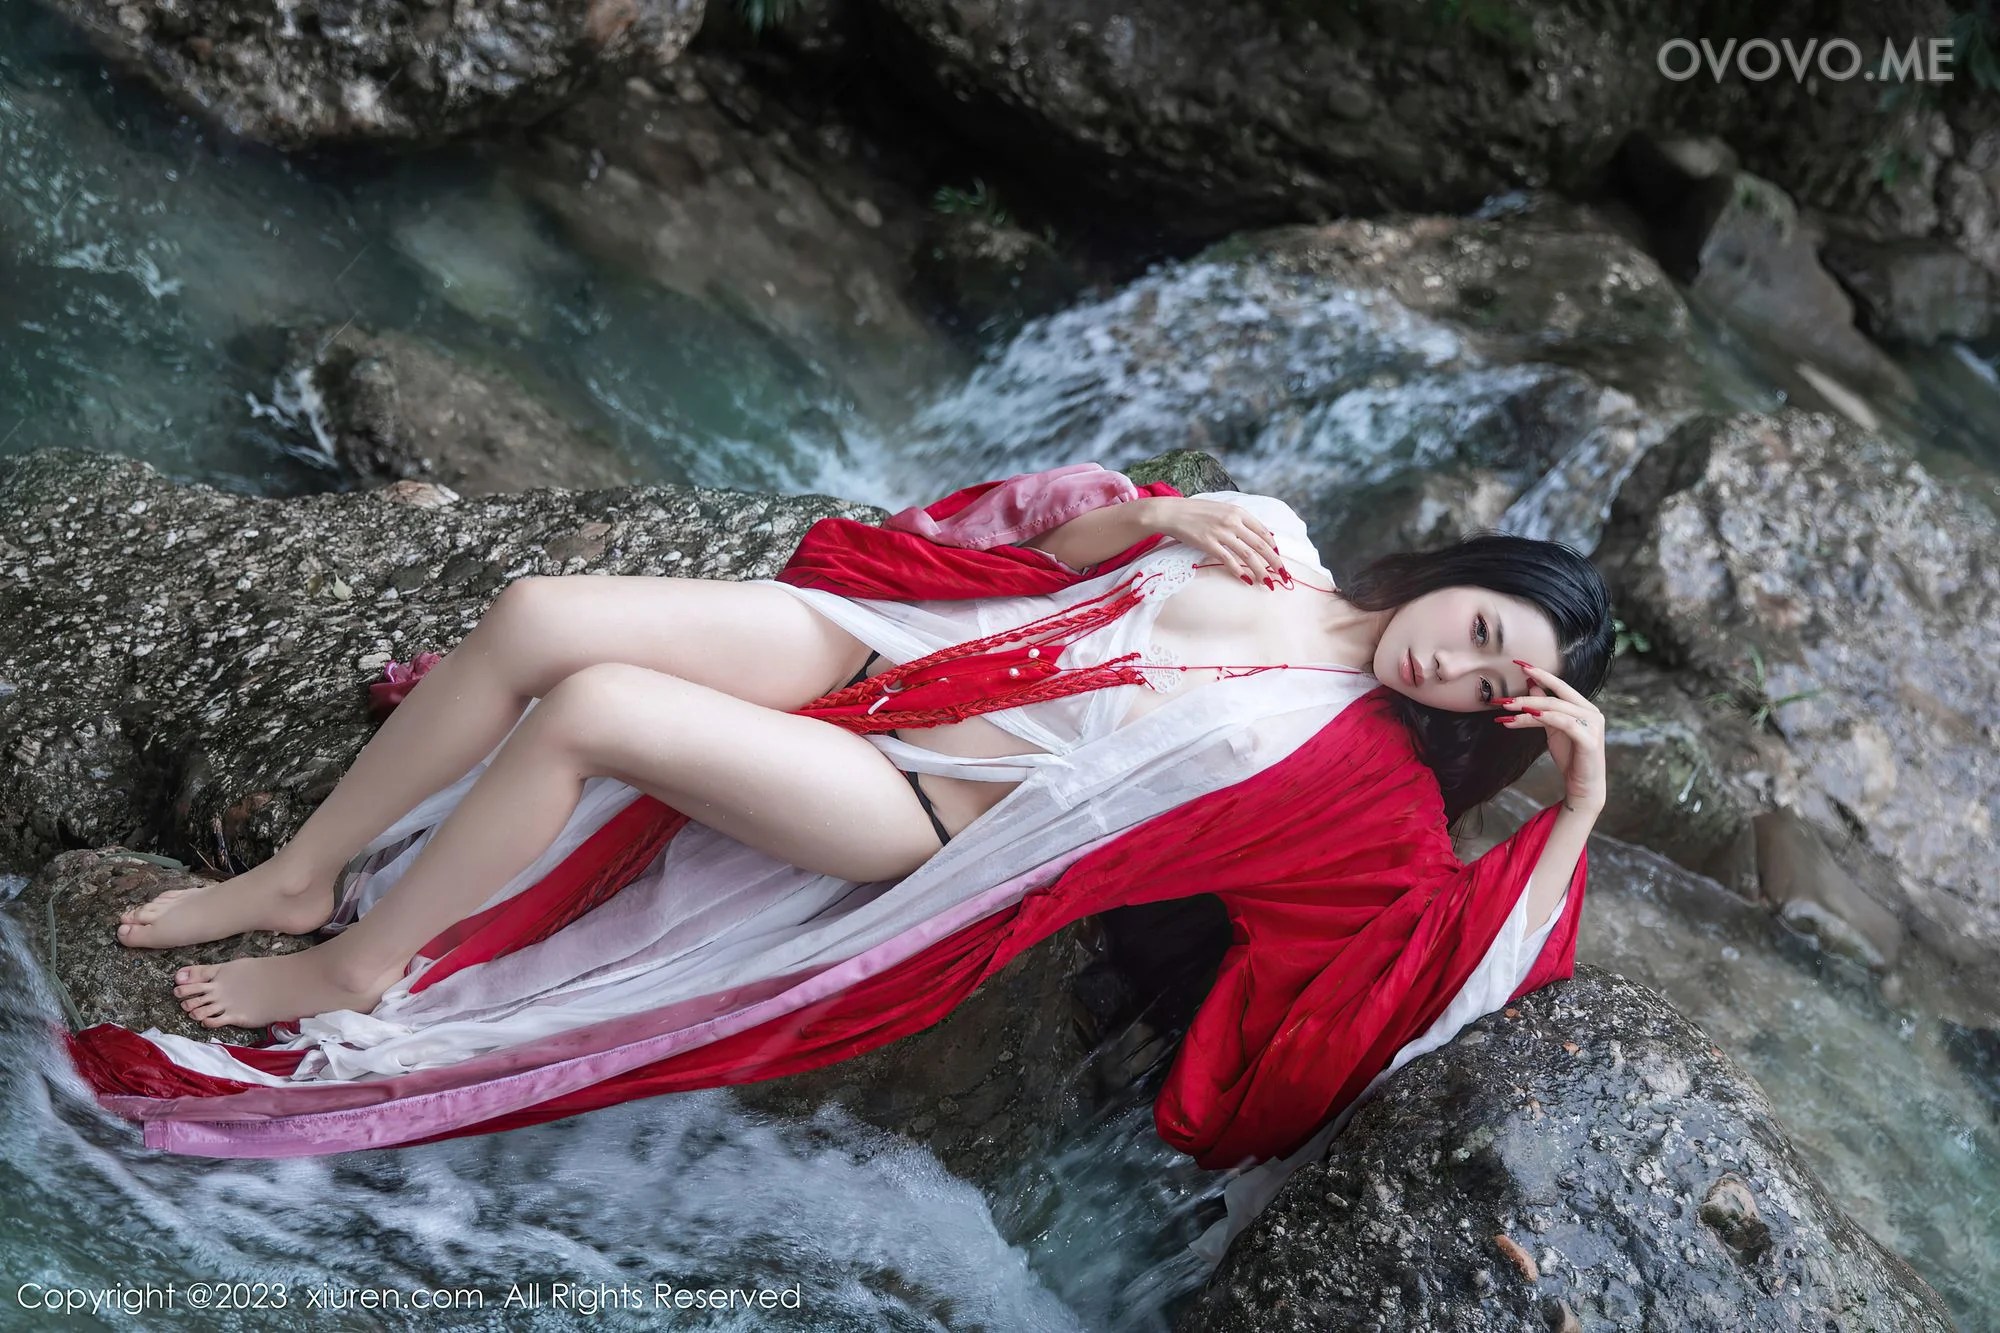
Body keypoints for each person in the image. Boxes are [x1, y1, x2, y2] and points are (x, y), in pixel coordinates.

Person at [68, 462, 1610, 1168]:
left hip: (915, 803)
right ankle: (304, 871)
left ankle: (355, 962)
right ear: (1469, 573)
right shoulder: (1267, 535)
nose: (1459, 667)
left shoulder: (1363, 786)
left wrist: (1581, 796)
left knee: (593, 706)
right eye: (1484, 628)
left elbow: (1425, 960)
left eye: (1498, 686)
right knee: (540, 611)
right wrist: (1153, 513)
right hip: (889, 657)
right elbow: (1049, 555)